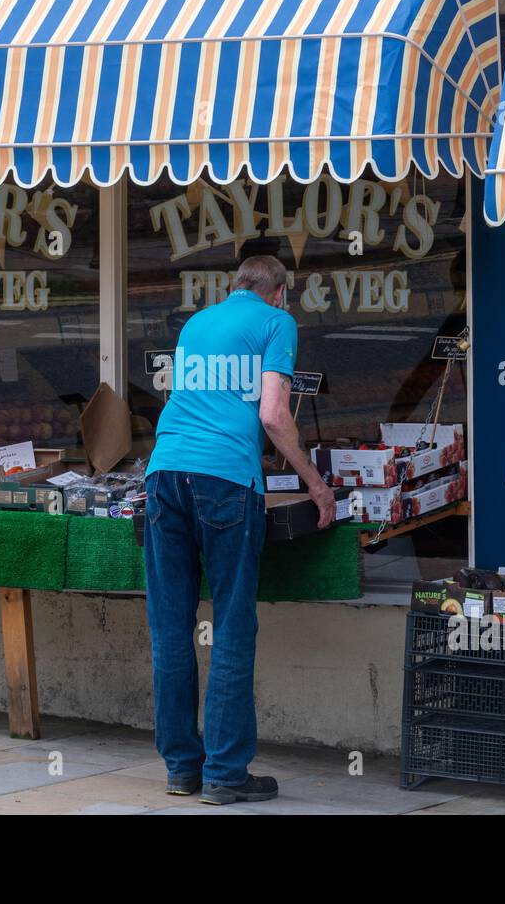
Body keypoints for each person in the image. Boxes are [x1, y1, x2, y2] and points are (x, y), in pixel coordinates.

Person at [143, 249, 336, 805]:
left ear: (235, 286)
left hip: (164, 474)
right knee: (230, 625)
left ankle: (182, 769)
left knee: (171, 627)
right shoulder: (278, 321)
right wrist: (316, 484)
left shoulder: (196, 323)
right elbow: (273, 414)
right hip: (225, 482)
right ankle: (226, 775)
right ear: (280, 291)